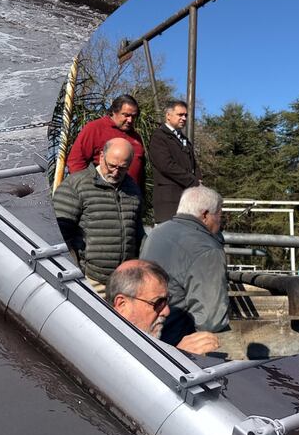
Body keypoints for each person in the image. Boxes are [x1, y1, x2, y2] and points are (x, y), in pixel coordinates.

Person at [140, 186, 229, 346]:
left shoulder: (156, 233)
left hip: (147, 332)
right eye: (219, 215)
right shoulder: (207, 249)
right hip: (179, 342)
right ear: (205, 215)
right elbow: (210, 320)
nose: (220, 222)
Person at [54, 138, 144, 295]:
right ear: (102, 156)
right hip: (91, 280)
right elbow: (58, 234)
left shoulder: (132, 189)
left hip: (125, 281)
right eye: (112, 166)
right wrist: (77, 271)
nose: (115, 172)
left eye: (122, 168)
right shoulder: (76, 185)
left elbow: (137, 234)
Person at [106, 259, 220, 355]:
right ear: (122, 304)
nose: (166, 311)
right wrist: (179, 356)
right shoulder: (106, 348)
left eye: (166, 301)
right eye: (158, 303)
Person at [66, 94, 147, 189]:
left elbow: (140, 171)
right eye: (126, 115)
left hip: (131, 195)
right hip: (100, 193)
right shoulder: (95, 128)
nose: (130, 120)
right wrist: (85, 189)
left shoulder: (136, 137)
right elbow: (76, 162)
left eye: (133, 116)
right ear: (114, 111)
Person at [148, 99, 201, 223]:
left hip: (186, 200)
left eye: (185, 115)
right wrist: (192, 181)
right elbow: (166, 166)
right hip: (168, 201)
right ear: (168, 115)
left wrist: (199, 181)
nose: (184, 118)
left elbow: (193, 165)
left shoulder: (185, 140)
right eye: (180, 115)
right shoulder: (159, 137)